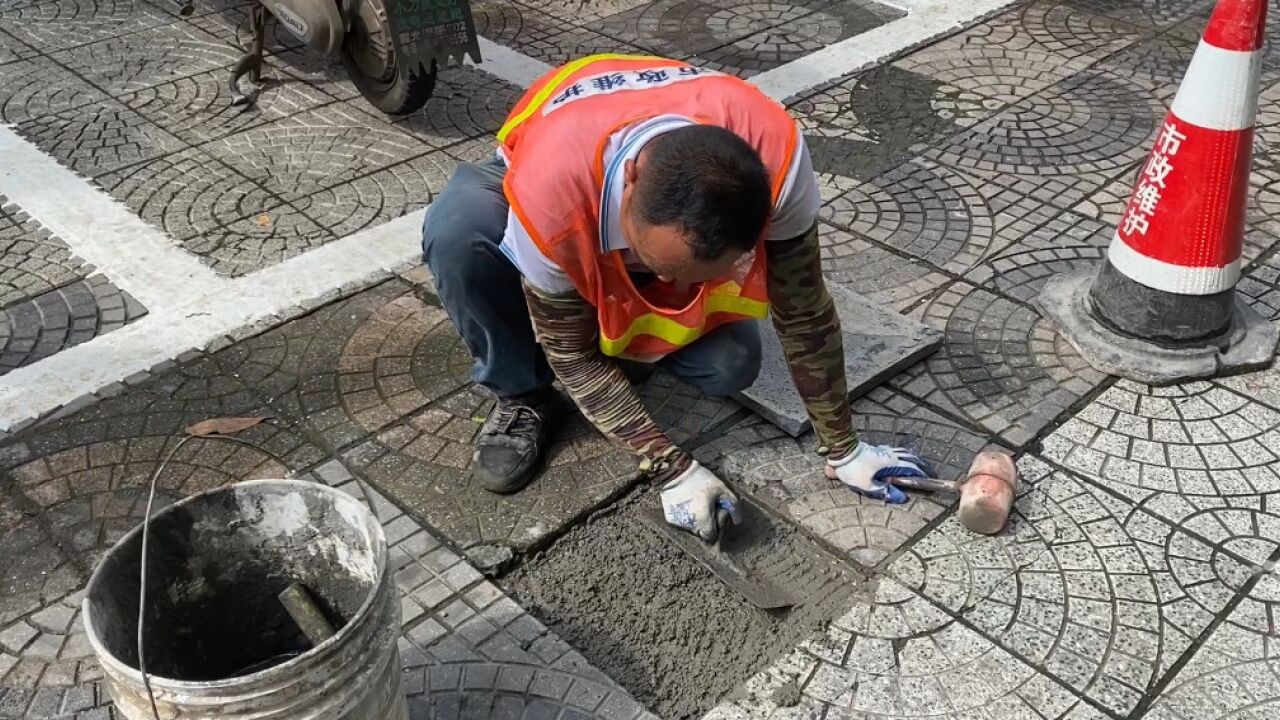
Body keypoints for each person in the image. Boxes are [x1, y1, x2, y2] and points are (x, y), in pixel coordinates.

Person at [421, 54, 931, 542]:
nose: (682, 295)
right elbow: (569, 353)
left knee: (730, 365)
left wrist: (844, 449)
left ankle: (622, 351)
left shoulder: (777, 155)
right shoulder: (551, 199)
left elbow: (804, 309)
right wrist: (669, 467)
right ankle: (521, 394)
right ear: (630, 183)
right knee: (459, 232)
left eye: (704, 277)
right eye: (659, 269)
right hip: (549, 160)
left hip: (642, 171)